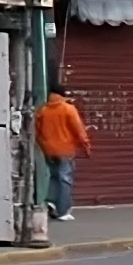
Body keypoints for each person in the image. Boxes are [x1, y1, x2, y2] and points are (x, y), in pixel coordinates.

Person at [36, 83, 92, 221]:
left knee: (53, 177)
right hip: (65, 150)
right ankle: (63, 211)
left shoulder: (43, 110)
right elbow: (78, 130)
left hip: (48, 150)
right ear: (63, 94)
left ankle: (51, 202)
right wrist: (86, 146)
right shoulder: (68, 109)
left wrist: (44, 144)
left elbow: (37, 131)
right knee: (65, 179)